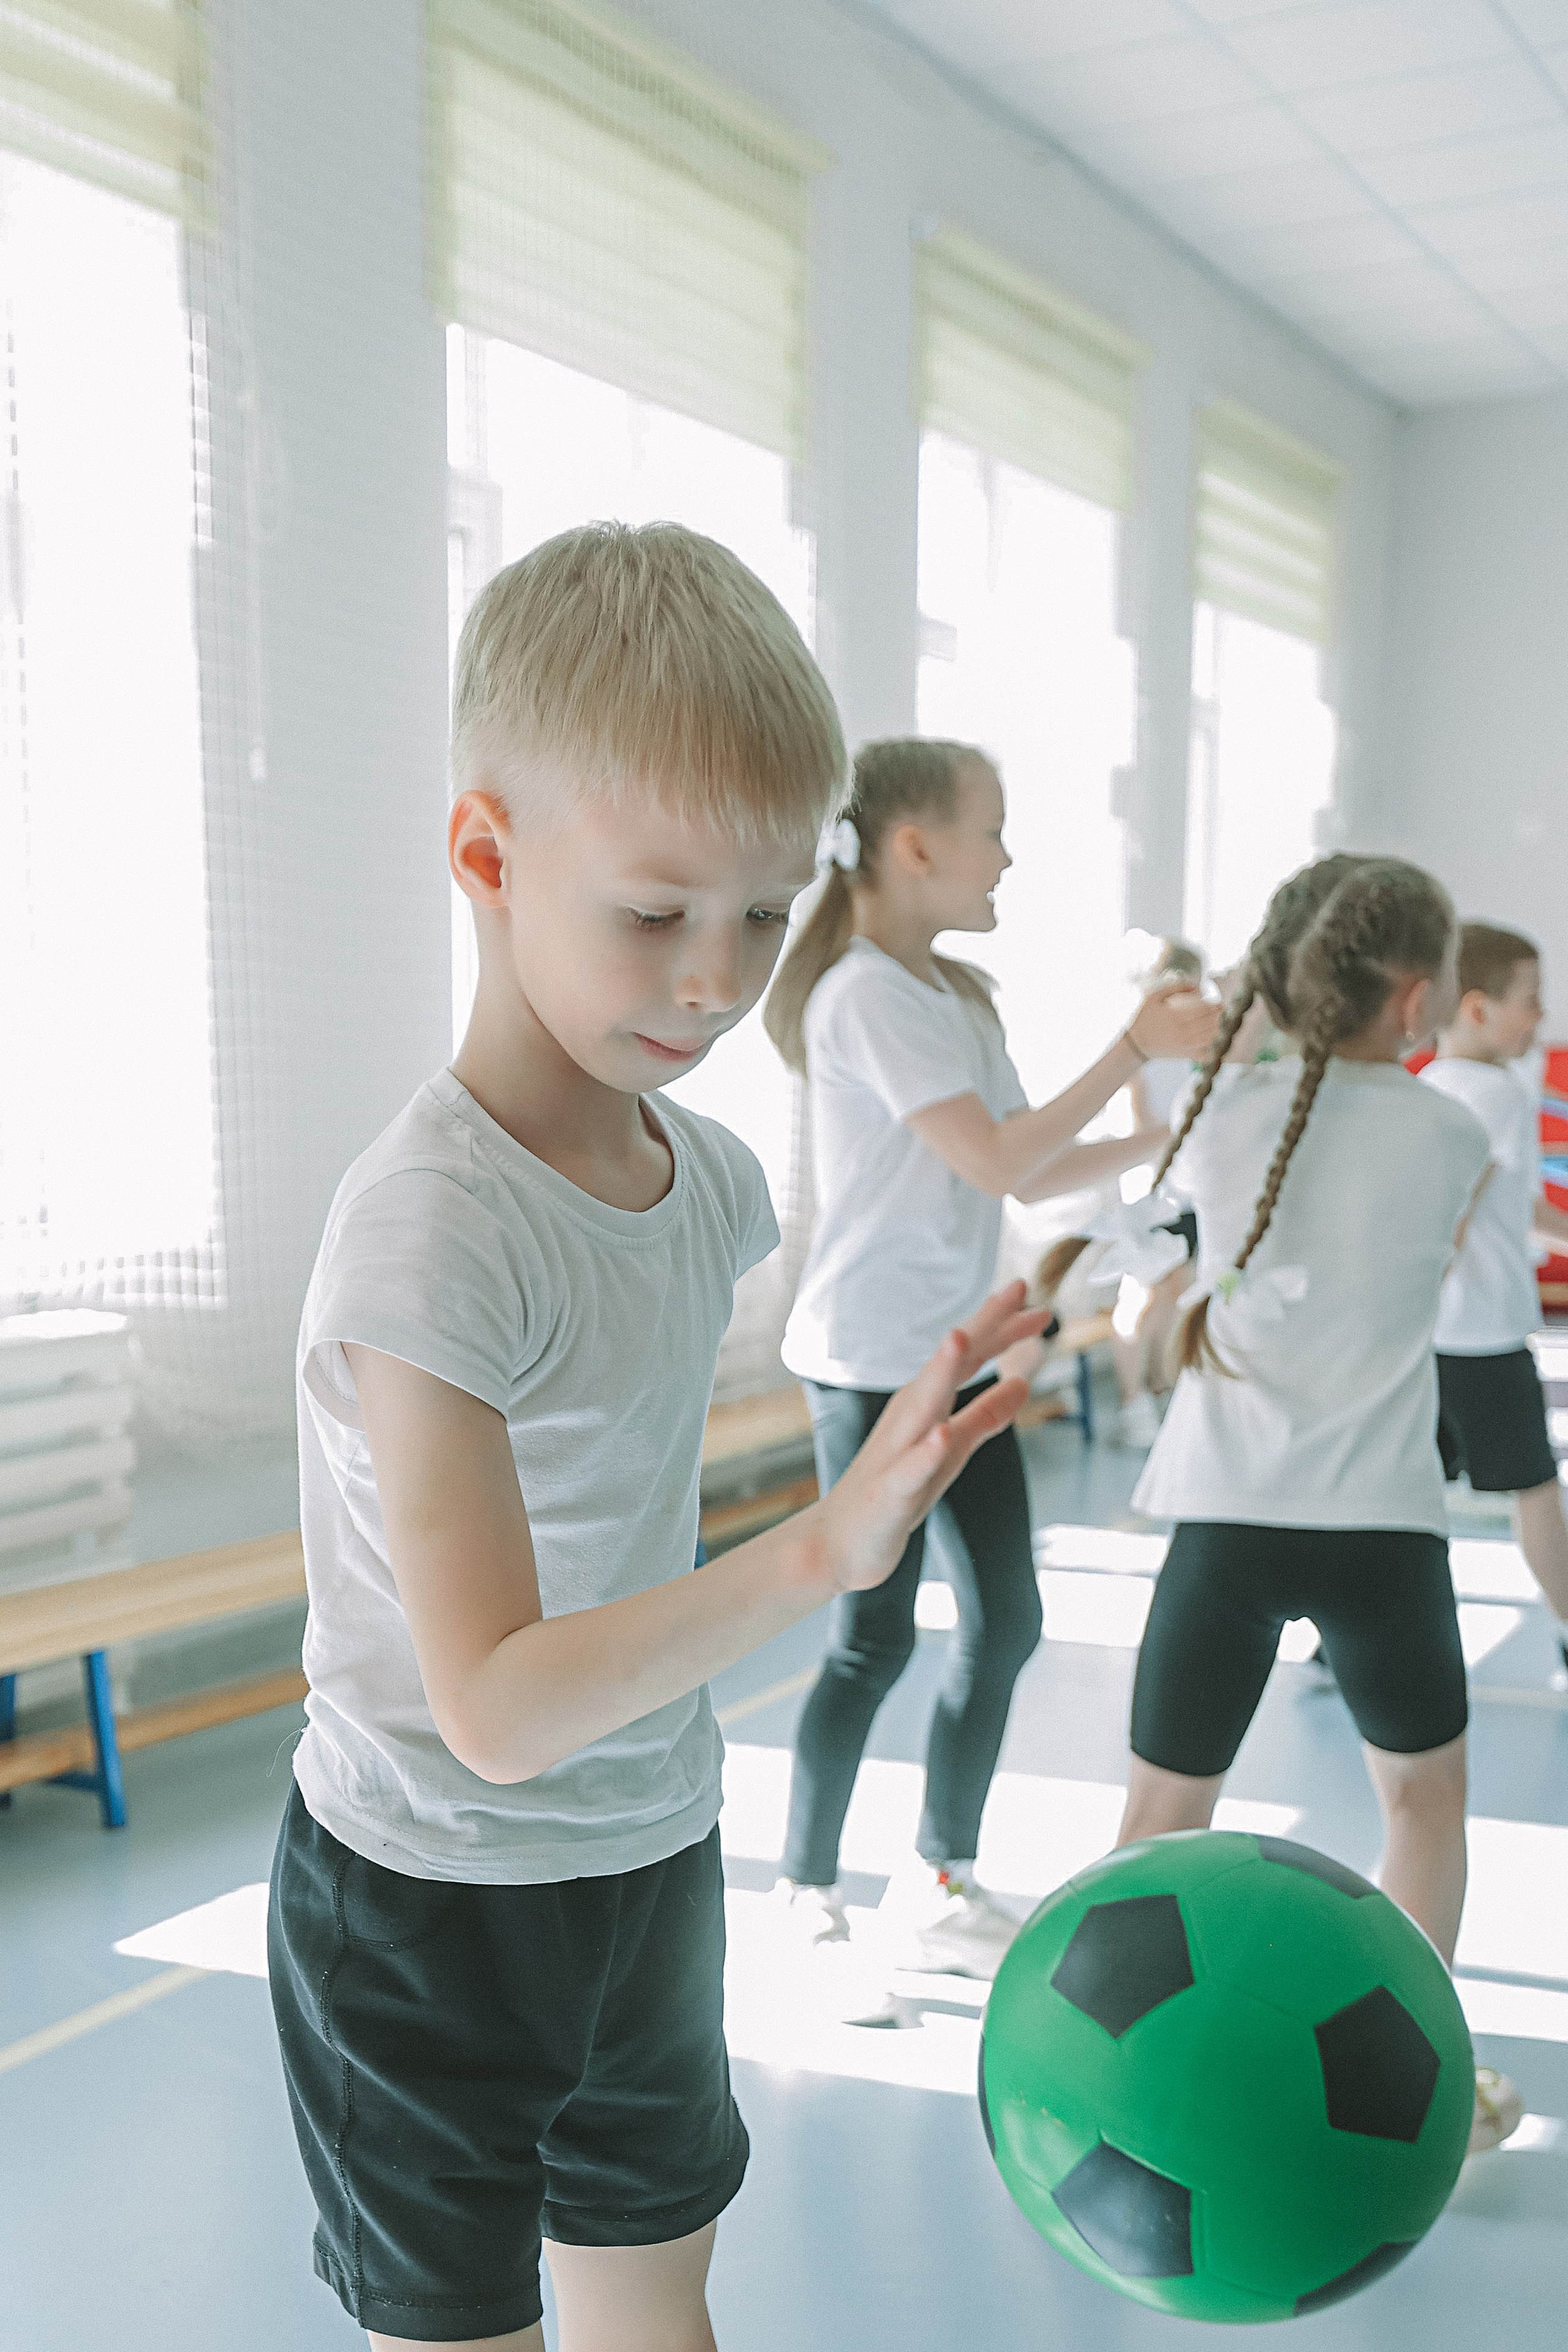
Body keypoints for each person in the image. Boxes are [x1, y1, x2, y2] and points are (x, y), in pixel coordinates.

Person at [266, 525, 1050, 2352]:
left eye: (764, 916)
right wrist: (814, 1549)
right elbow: (498, 1704)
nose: (714, 980)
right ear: (486, 852)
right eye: (653, 911)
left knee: (654, 2306)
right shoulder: (432, 1232)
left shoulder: (707, 1177)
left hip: (646, 1855)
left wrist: (889, 1447)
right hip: (430, 1898)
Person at [762, 737, 1216, 2004]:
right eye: (993, 830)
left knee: (1006, 1619)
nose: (1007, 855)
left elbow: (1035, 1161)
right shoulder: (858, 994)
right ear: (915, 847)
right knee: (870, 1637)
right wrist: (1130, 1052)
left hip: (964, 1355)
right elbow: (998, 1160)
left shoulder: (957, 997)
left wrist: (1172, 1133)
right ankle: (802, 1893)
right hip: (870, 1365)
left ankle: (939, 1879)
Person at [1108, 854, 1520, 2155]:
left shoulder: (1222, 1112)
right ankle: (1414, 2076)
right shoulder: (1452, 1129)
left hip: (1222, 1523)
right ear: (1413, 1002)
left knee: (1160, 1821)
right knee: (1423, 1805)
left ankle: (1116, 2072)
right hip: (1382, 1535)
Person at [1422, 923, 1568, 1681]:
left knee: (1411, 1491)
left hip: (1428, 1342)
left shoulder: (1430, 1085)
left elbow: (1503, 1202)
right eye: (1530, 1003)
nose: (1539, 1018)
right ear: (1475, 1008)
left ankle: (1343, 1631)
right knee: (1536, 1492)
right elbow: (1451, 1213)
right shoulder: (1500, 1093)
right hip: (1481, 1337)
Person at [1112, 937, 1206, 1450]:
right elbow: (1138, 1125)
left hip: (1187, 1190)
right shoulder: (1140, 1047)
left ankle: (1160, 1384)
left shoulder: (1195, 1050)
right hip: (1149, 1190)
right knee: (1142, 1294)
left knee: (1178, 1289)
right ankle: (1133, 1405)